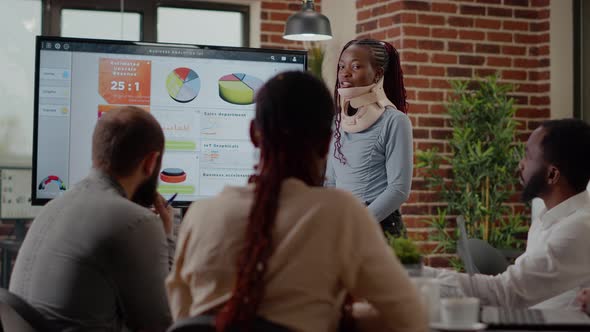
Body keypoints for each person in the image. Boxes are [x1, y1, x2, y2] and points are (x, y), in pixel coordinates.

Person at [165, 72, 428, 332]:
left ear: (254, 134)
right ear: (327, 144)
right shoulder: (340, 213)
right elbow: (410, 319)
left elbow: (183, 317)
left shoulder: (201, 214)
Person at [10, 106, 175, 331]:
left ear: (96, 153)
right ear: (151, 161)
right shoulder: (137, 222)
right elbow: (162, 325)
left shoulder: (53, 206)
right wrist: (168, 238)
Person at [426, 118, 590, 309]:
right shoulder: (547, 219)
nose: (521, 164)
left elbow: (504, 293)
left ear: (552, 174)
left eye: (528, 156)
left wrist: (420, 276)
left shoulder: (578, 229)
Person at [324, 39, 413, 238]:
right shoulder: (336, 123)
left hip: (379, 228)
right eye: (341, 66)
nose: (344, 73)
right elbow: (330, 181)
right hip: (343, 223)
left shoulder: (395, 121)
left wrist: (358, 222)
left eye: (355, 66)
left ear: (378, 73)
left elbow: (399, 189)